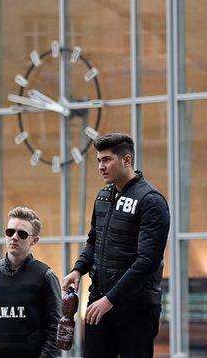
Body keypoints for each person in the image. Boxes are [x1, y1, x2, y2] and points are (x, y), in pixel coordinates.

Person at [61, 133, 169, 358]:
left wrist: (110, 299)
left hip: (136, 308)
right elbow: (93, 240)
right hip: (98, 303)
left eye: (107, 159)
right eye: (99, 160)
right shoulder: (103, 196)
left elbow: (148, 261)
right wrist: (77, 270)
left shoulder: (151, 201)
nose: (101, 166)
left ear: (126, 160)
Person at [0, 206, 60, 358]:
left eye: (22, 234)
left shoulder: (45, 276)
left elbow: (55, 330)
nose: (14, 237)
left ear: (34, 240)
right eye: (10, 232)